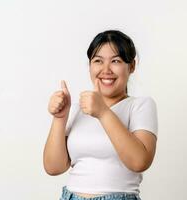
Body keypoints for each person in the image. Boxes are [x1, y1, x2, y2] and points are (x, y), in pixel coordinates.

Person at [43, 30, 158, 200]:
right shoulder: (76, 109)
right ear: (90, 65)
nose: (106, 70)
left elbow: (139, 161)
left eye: (116, 61)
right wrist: (60, 118)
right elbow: (53, 167)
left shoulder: (140, 106)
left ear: (132, 66)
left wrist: (103, 112)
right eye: (98, 61)